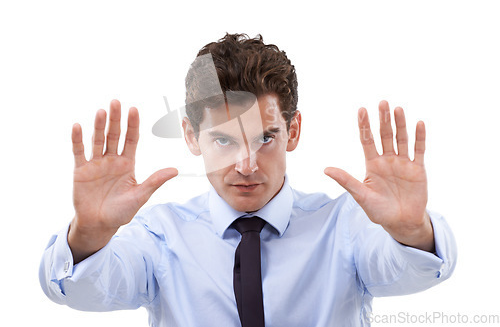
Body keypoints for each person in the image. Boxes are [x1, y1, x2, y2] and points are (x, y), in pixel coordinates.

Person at [39, 33, 457, 327]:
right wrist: (89, 236)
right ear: (190, 135)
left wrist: (411, 231)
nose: (246, 165)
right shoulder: (160, 235)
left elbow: (412, 273)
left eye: (266, 138)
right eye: (223, 139)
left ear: (293, 131)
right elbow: (78, 292)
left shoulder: (344, 226)